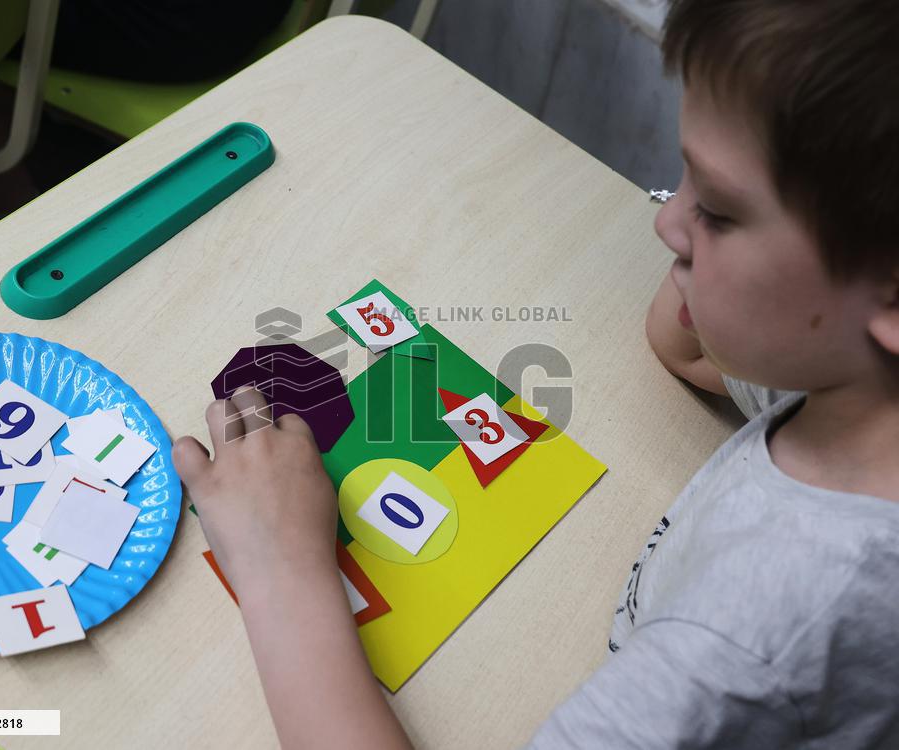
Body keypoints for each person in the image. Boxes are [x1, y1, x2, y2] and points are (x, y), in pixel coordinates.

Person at [172, 0, 899, 747]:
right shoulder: (847, 380)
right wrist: (708, 258)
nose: (662, 223)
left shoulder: (751, 637)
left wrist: (280, 565)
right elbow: (681, 348)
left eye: (715, 209)